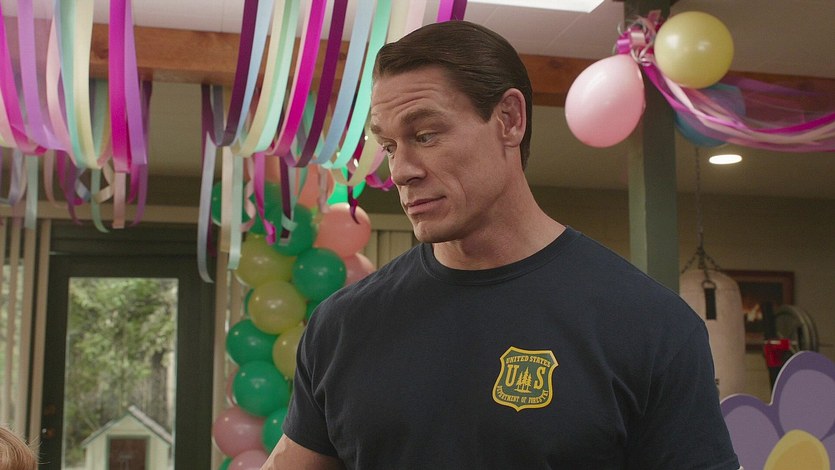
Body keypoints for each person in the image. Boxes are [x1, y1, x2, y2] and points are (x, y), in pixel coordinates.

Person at [262, 20, 740, 469]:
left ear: (509, 119)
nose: (401, 170)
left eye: (425, 135)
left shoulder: (650, 325)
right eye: (389, 146)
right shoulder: (342, 325)